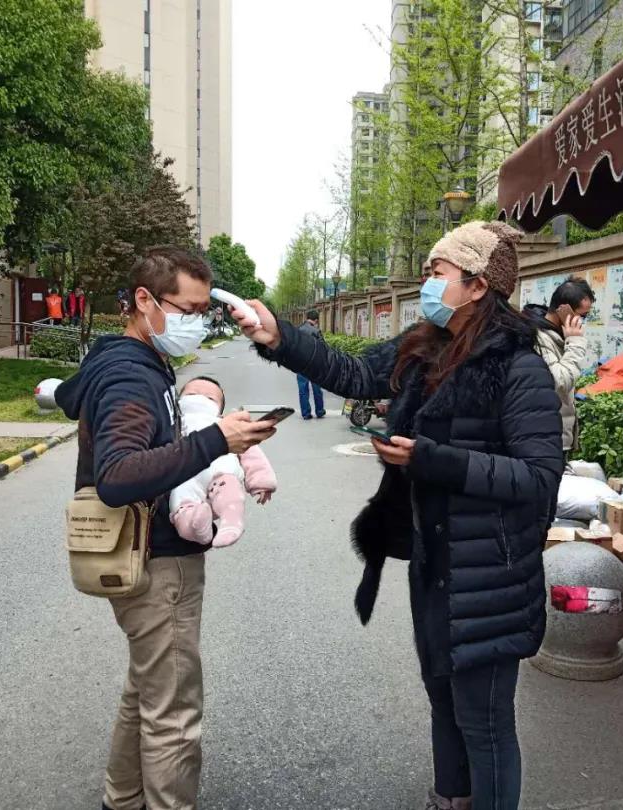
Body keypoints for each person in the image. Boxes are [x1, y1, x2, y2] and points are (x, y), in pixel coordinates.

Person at [234, 221, 563, 810]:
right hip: (434, 560)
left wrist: (431, 459)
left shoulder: (518, 368)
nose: (427, 283)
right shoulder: (426, 345)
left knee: (485, 721)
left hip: (491, 573)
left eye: (438, 273)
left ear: (478, 285)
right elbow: (355, 374)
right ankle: (450, 799)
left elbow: (538, 478)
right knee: (442, 697)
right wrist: (280, 337)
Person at [54, 246, 276, 810]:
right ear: (145, 300)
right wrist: (216, 441)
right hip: (157, 562)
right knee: (173, 712)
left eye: (204, 311)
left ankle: (123, 797)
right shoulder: (130, 376)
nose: (197, 322)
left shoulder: (130, 362)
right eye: (189, 309)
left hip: (144, 553)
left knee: (147, 687)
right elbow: (117, 476)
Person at [169, 376, 277, 547]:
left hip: (219, 471)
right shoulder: (172, 423)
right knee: (181, 501)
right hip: (184, 477)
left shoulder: (226, 424)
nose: (200, 398)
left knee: (229, 490)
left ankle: (231, 523)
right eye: (192, 394)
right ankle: (195, 525)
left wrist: (261, 482)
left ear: (219, 411)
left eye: (210, 398)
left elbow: (251, 453)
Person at [523, 278, 594, 524]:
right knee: (541, 509)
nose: (582, 322)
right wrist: (576, 343)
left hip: (555, 436)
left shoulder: (555, 335)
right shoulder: (539, 338)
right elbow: (559, 381)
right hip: (543, 436)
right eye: (582, 315)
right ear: (564, 309)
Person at [296, 309, 326, 420]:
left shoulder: (298, 330)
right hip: (314, 364)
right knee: (317, 388)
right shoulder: (316, 331)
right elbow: (323, 348)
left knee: (303, 389)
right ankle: (319, 411)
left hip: (300, 363)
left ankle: (306, 413)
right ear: (316, 320)